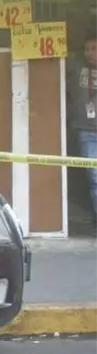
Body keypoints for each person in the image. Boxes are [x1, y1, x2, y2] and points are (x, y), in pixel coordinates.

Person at [67, 31, 97, 228]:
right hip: (86, 131)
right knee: (94, 177)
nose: (89, 53)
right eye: (86, 49)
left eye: (94, 49)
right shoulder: (77, 67)